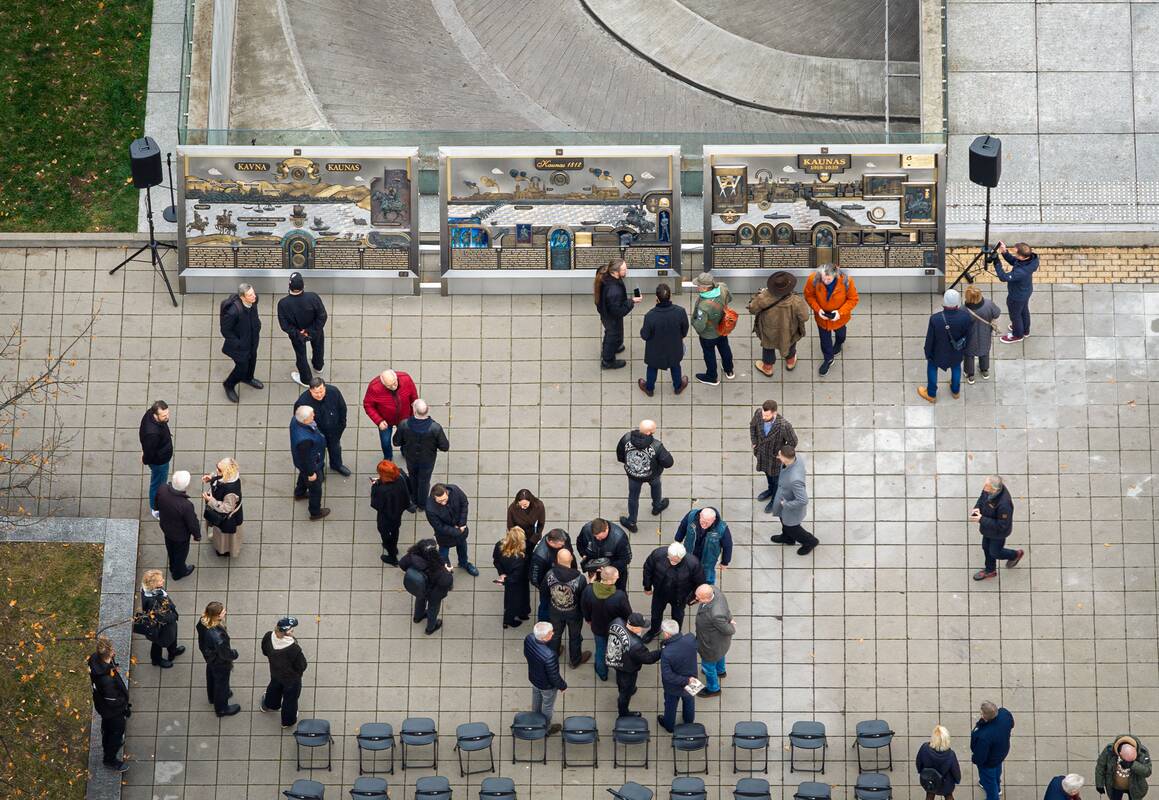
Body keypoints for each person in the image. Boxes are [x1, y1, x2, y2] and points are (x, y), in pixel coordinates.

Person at [748, 270, 811, 377]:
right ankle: (790, 362)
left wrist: (760, 294)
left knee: (768, 347)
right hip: (789, 329)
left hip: (768, 330)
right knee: (790, 343)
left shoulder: (763, 297)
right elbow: (805, 317)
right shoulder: (797, 301)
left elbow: (752, 309)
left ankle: (768, 368)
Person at [616, 419, 674, 533]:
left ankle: (632, 522)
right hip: (652, 474)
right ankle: (657, 506)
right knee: (656, 487)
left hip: (633, 475)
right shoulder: (657, 446)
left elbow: (620, 454)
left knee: (633, 497)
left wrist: (631, 466)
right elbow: (669, 463)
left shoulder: (626, 438)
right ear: (648, 432)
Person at [641, 542, 705, 642]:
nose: (671, 562)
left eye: (675, 560)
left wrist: (692, 598)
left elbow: (700, 583)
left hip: (680, 597)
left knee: (677, 617)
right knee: (656, 614)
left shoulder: (693, 564)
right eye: (670, 558)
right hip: (660, 593)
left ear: (682, 557)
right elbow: (648, 569)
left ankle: (675, 635)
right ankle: (654, 630)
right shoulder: (657, 555)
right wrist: (647, 586)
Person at [803, 262, 859, 376]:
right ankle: (828, 359)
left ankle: (839, 343)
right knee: (825, 341)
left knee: (841, 334)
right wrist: (818, 309)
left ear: (835, 275)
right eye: (823, 278)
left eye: (828, 279)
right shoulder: (813, 279)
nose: (825, 281)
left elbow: (853, 299)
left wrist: (839, 313)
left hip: (840, 317)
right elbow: (809, 296)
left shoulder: (846, 281)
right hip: (822, 317)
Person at [394, 399, 450, 512]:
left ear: (414, 410)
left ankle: (414, 499)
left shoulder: (404, 424)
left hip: (411, 458)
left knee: (413, 477)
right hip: (427, 461)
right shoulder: (435, 428)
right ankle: (422, 505)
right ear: (427, 410)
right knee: (424, 482)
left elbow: (396, 442)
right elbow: (445, 447)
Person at [919, 288, 972, 404]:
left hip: (938, 352)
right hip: (956, 351)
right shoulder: (965, 317)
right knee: (956, 368)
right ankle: (955, 391)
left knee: (932, 368)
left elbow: (930, 339)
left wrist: (928, 353)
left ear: (944, 301)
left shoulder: (935, 319)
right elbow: (968, 336)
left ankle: (931, 394)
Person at [580, 565, 632, 681]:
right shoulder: (619, 596)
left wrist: (588, 619)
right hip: (615, 629)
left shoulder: (589, 590)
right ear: (611, 580)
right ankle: (619, 673)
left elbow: (584, 607)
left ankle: (602, 673)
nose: (618, 577)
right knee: (617, 651)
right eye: (617, 576)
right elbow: (628, 614)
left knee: (600, 651)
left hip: (598, 628)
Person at [276, 271, 328, 386]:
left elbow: (284, 325)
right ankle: (318, 366)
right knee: (318, 347)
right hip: (315, 331)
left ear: (289, 285)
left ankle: (306, 379)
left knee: (301, 356)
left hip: (297, 335)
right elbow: (322, 316)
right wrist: (310, 331)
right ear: (303, 285)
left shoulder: (283, 304)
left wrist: (299, 333)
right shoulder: (313, 297)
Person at [638, 282, 689, 396]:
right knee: (675, 365)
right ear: (670, 296)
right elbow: (685, 329)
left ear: (657, 298)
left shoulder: (650, 316)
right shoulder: (680, 312)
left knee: (652, 367)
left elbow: (645, 335)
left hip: (655, 350)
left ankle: (649, 388)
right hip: (674, 347)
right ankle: (678, 386)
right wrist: (680, 336)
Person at [542, 548, 591, 668]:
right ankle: (575, 660)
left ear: (557, 560)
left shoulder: (550, 574)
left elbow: (544, 592)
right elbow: (583, 599)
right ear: (571, 559)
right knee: (575, 637)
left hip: (555, 610)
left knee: (555, 634)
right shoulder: (580, 579)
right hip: (573, 613)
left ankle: (553, 656)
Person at [88, 637, 131, 772]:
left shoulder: (95, 660)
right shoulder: (107, 681)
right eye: (112, 650)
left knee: (108, 728)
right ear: (109, 653)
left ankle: (106, 738)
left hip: (103, 706)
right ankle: (110, 760)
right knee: (116, 733)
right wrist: (124, 704)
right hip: (113, 712)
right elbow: (113, 701)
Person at [606, 612, 660, 717]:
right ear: (634, 628)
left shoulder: (616, 621)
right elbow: (648, 658)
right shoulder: (636, 645)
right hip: (627, 669)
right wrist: (662, 651)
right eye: (642, 627)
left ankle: (627, 689)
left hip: (616, 660)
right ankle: (624, 713)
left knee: (620, 680)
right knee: (625, 693)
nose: (643, 629)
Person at [970, 475, 1023, 581]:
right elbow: (982, 498)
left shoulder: (1004, 504)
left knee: (995, 552)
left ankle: (1015, 555)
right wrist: (977, 508)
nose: (984, 486)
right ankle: (990, 570)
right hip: (988, 529)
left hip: (998, 533)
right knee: (986, 547)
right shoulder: (989, 490)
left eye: (986, 485)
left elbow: (1002, 525)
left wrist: (981, 519)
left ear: (994, 489)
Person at [259, 616, 308, 729]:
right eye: (291, 630)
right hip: (291, 678)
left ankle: (269, 705)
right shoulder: (293, 649)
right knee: (290, 699)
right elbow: (302, 665)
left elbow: (264, 651)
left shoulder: (268, 636)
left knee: (274, 688)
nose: (293, 631)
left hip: (275, 672)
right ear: (286, 632)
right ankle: (287, 721)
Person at [750, 400, 798, 513]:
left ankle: (775, 500)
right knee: (768, 474)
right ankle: (770, 490)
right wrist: (754, 441)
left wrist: (782, 454)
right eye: (763, 414)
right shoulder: (758, 413)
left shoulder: (784, 426)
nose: (763, 417)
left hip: (775, 459)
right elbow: (752, 426)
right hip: (762, 455)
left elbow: (793, 442)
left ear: (774, 413)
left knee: (777, 481)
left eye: (767, 416)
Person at [294, 378, 350, 476]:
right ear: (310, 390)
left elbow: (342, 408)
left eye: (321, 391)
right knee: (317, 455)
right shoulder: (302, 402)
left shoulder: (333, 392)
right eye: (316, 393)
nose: (319, 395)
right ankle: (319, 471)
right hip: (316, 435)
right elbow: (299, 419)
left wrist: (342, 424)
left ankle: (336, 465)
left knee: (335, 449)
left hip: (333, 432)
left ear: (325, 387)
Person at [399, 538, 454, 635]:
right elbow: (446, 582)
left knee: (420, 599)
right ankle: (430, 628)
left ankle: (418, 617)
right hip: (434, 593)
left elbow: (402, 564)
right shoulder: (437, 569)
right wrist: (447, 571)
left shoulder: (412, 556)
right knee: (433, 609)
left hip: (419, 587)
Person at [769, 445, 817, 555]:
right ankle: (787, 538)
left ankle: (810, 541)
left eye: (780, 455)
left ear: (785, 459)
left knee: (792, 528)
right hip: (785, 498)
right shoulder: (796, 458)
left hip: (791, 508)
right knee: (784, 522)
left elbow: (803, 500)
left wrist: (786, 504)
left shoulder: (795, 479)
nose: (778, 456)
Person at [594, 257, 641, 369]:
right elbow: (618, 311)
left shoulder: (607, 275)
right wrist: (632, 301)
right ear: (615, 272)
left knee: (613, 333)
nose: (626, 271)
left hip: (606, 312)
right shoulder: (614, 291)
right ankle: (608, 361)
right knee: (612, 335)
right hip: (611, 317)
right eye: (624, 269)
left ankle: (613, 348)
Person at [195, 601, 240, 716]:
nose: (225, 612)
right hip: (220, 661)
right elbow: (225, 653)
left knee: (211, 675)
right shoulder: (218, 636)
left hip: (210, 657)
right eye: (223, 612)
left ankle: (212, 697)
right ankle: (222, 709)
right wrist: (234, 654)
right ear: (217, 616)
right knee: (222, 684)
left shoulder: (203, 621)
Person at [690, 271, 735, 385]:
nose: (697, 287)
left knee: (709, 354)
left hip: (708, 335)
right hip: (723, 327)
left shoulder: (703, 305)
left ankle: (711, 377)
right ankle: (729, 370)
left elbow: (700, 326)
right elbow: (730, 298)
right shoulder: (723, 287)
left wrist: (693, 322)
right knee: (725, 348)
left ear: (705, 288)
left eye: (699, 285)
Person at [363, 368, 419, 461]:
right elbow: (368, 405)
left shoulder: (406, 379)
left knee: (406, 439)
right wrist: (379, 421)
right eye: (389, 386)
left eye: (394, 383)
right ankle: (388, 457)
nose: (393, 387)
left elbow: (414, 397)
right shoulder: (374, 387)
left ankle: (405, 451)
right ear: (383, 383)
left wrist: (413, 414)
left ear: (396, 377)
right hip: (385, 420)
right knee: (385, 442)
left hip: (405, 418)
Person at [220, 283, 263, 403]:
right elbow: (225, 330)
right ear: (242, 297)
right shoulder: (233, 312)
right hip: (240, 347)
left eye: (253, 293)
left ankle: (248, 378)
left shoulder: (253, 301)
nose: (254, 296)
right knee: (241, 368)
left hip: (252, 341)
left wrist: (257, 325)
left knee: (252, 361)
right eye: (250, 295)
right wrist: (238, 343)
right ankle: (229, 385)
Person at [425, 482, 479, 576]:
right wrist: (458, 531)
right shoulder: (430, 508)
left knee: (463, 548)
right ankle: (446, 570)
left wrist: (462, 523)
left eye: (445, 499)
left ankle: (464, 563)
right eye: (439, 501)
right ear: (434, 497)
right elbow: (439, 526)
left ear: (447, 492)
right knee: (444, 554)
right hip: (444, 537)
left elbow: (464, 504)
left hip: (460, 530)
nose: (443, 503)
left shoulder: (455, 491)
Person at [524, 621, 567, 735]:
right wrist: (562, 686)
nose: (553, 633)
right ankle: (545, 728)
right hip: (546, 685)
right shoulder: (550, 655)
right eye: (550, 633)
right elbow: (554, 676)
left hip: (534, 678)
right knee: (547, 706)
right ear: (544, 637)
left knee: (536, 699)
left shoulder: (529, 638)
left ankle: (535, 719)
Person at [156, 470, 200, 580]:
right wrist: (197, 535)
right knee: (180, 554)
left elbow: (156, 504)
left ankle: (172, 566)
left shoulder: (162, 489)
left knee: (170, 549)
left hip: (166, 528)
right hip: (180, 535)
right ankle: (178, 573)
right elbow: (192, 523)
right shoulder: (186, 505)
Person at [657, 618, 698, 733]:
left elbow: (668, 675)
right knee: (689, 702)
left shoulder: (666, 652)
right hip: (693, 680)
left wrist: (686, 680)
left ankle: (669, 726)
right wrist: (689, 680)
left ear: (666, 634)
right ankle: (689, 723)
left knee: (670, 706)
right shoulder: (690, 638)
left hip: (673, 686)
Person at [993, 241, 1039, 343]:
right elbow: (1015, 261)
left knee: (1015, 315)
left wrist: (997, 263)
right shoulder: (1031, 259)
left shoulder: (1021, 272)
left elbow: (1003, 277)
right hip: (1026, 291)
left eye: (1016, 253)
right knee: (1024, 310)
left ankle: (1018, 335)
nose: (1015, 255)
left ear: (1022, 256)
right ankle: (1025, 330)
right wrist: (1004, 252)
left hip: (1017, 296)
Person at [694, 583, 734, 698]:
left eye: (699, 598)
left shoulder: (716, 614)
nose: (696, 599)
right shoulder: (714, 590)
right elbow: (726, 609)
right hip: (719, 644)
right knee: (720, 655)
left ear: (707, 598)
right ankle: (721, 671)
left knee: (708, 667)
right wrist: (729, 618)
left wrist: (730, 622)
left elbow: (729, 630)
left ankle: (713, 689)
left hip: (711, 645)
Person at [674, 507, 732, 585]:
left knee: (707, 576)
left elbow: (728, 546)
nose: (704, 525)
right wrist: (677, 540)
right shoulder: (691, 516)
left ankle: (708, 588)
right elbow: (682, 527)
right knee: (686, 569)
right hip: (690, 552)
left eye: (707, 523)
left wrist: (725, 562)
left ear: (714, 519)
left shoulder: (722, 528)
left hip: (708, 559)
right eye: (702, 522)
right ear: (700, 515)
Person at [290, 405, 329, 520]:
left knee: (303, 475)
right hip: (312, 465)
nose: (314, 416)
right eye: (312, 415)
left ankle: (300, 493)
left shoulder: (295, 420)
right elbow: (306, 459)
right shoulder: (304, 440)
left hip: (302, 463)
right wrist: (311, 473)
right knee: (315, 489)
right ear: (305, 420)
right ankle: (315, 512)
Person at [139, 569, 183, 668]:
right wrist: (173, 616)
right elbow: (161, 617)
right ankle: (156, 659)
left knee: (172, 635)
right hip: (161, 626)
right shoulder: (152, 600)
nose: (163, 580)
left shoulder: (154, 590)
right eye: (160, 580)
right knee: (158, 642)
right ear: (152, 584)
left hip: (168, 623)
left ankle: (172, 651)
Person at [529, 528, 575, 622]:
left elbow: (570, 551)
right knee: (545, 605)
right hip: (549, 586)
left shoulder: (563, 537)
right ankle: (544, 622)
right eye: (560, 545)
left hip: (564, 576)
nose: (563, 546)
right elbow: (535, 578)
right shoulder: (540, 556)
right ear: (551, 542)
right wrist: (547, 588)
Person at [971, 702, 1015, 800]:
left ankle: (993, 796)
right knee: (997, 769)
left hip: (988, 761)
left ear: (984, 716)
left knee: (990, 784)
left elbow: (980, 757)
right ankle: (997, 787)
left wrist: (975, 759)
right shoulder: (1004, 713)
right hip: (1001, 752)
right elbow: (1012, 724)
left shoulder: (984, 735)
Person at [200, 457, 243, 558]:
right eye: (217, 466)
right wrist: (211, 478)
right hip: (224, 516)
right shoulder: (228, 477)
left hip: (227, 519)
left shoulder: (231, 491)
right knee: (220, 533)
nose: (216, 470)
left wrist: (211, 500)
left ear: (226, 472)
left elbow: (226, 508)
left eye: (219, 469)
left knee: (224, 536)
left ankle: (224, 550)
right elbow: (219, 477)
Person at [370, 459, 410, 565]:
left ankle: (392, 557)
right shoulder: (400, 477)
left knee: (384, 533)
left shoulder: (381, 490)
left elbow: (375, 504)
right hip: (398, 511)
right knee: (395, 530)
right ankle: (394, 547)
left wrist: (374, 486)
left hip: (386, 516)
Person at [576, 517, 632, 590]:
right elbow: (580, 543)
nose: (597, 539)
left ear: (606, 529)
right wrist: (583, 554)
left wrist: (607, 569)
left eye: (600, 537)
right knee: (597, 591)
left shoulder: (620, 538)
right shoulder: (586, 530)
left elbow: (626, 559)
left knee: (618, 592)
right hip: (595, 571)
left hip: (613, 574)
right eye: (595, 537)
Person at [139, 400, 172, 520]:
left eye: (167, 413)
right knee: (157, 484)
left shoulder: (151, 414)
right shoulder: (152, 434)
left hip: (161, 455)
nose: (167, 417)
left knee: (159, 482)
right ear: (155, 415)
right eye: (164, 416)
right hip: (159, 462)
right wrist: (145, 459)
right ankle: (156, 508)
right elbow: (149, 452)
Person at [962, 285, 1001, 385]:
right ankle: (984, 370)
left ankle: (970, 374)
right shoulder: (988, 304)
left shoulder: (963, 310)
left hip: (969, 338)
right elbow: (997, 313)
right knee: (984, 351)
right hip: (985, 334)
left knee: (969, 355)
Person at [493, 526, 531, 628]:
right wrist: (505, 580)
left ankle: (522, 613)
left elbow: (496, 561)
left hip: (508, 576)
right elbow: (516, 576)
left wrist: (502, 574)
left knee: (512, 599)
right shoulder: (520, 558)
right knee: (516, 600)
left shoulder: (499, 545)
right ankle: (509, 620)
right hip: (518, 580)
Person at [1096, 736, 1151, 800]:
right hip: (1115, 786)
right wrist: (1099, 784)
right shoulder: (1109, 751)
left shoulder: (1143, 752)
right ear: (1120, 753)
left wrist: (1133, 765)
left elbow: (1148, 771)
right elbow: (1101, 767)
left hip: (1135, 786)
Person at [916, 725, 962, 800]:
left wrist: (921, 772)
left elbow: (919, 763)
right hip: (946, 784)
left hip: (930, 780)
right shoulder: (950, 755)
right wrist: (957, 780)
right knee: (949, 796)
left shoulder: (924, 748)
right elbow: (955, 771)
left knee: (929, 795)